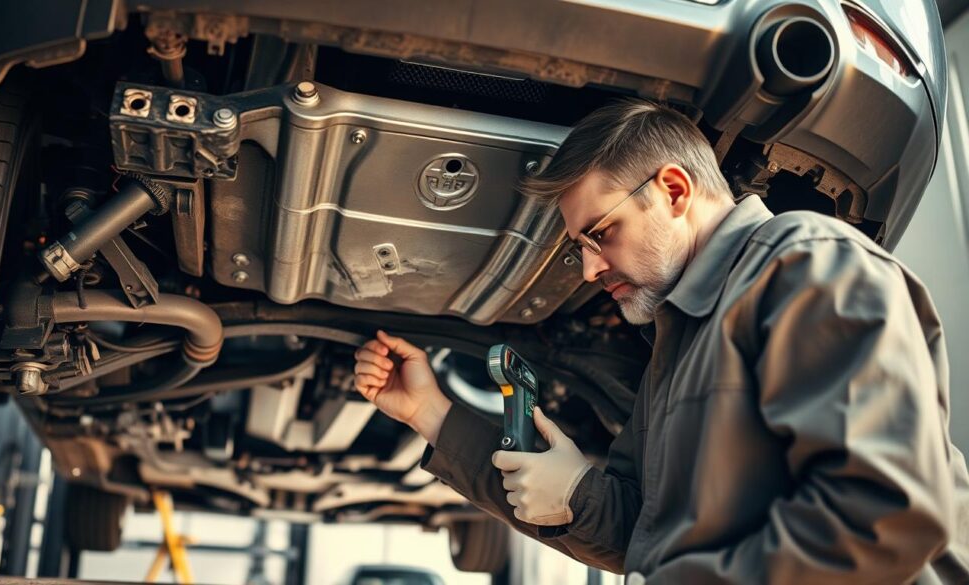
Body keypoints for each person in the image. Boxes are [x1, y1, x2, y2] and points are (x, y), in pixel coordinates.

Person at [352, 99, 969, 583]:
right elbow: (638, 534)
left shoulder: (805, 265)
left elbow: (884, 512)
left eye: (602, 233)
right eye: (580, 248)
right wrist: (434, 417)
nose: (590, 270)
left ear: (674, 191)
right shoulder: (677, 346)